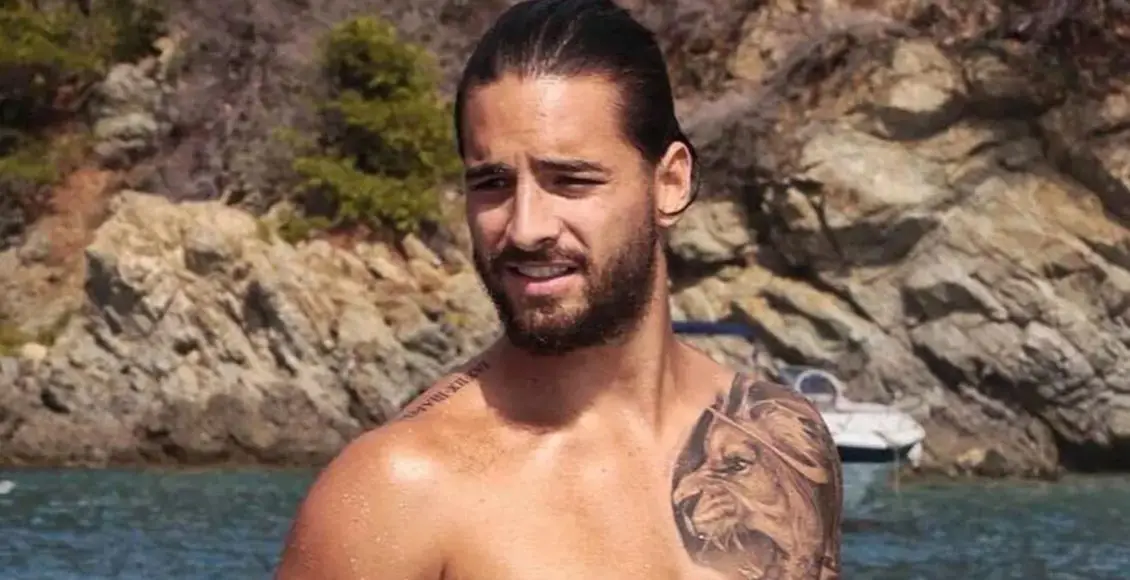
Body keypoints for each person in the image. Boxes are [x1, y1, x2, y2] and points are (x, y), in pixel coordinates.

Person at [274, 0, 843, 578]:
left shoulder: (779, 443)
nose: (526, 227)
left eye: (570, 180)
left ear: (671, 183)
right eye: (492, 183)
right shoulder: (398, 490)